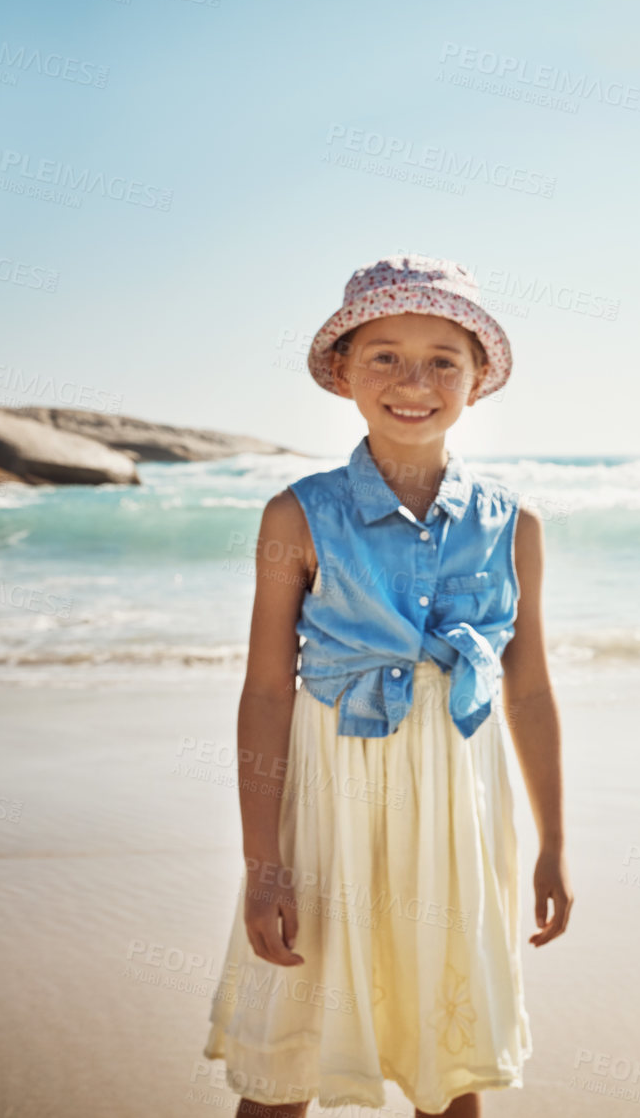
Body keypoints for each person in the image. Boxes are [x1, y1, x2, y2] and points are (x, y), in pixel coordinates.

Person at [202, 255, 572, 1117]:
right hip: (327, 816)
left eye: (444, 358)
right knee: (286, 1059)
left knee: (450, 1069)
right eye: (384, 356)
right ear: (342, 373)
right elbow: (264, 693)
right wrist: (264, 863)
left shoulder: (514, 526)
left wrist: (553, 840)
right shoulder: (295, 516)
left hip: (455, 818)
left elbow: (530, 691)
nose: (415, 381)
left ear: (478, 380)